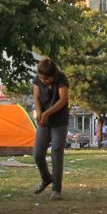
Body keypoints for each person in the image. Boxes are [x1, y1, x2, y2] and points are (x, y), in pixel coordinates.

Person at [32, 58, 70, 200]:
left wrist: (48, 113)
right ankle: (46, 178)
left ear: (53, 75)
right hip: (44, 121)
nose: (43, 80)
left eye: (46, 79)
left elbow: (63, 99)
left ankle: (56, 189)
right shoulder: (38, 79)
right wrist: (39, 111)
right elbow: (36, 97)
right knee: (37, 153)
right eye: (41, 77)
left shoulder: (61, 79)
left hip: (59, 121)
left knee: (56, 152)